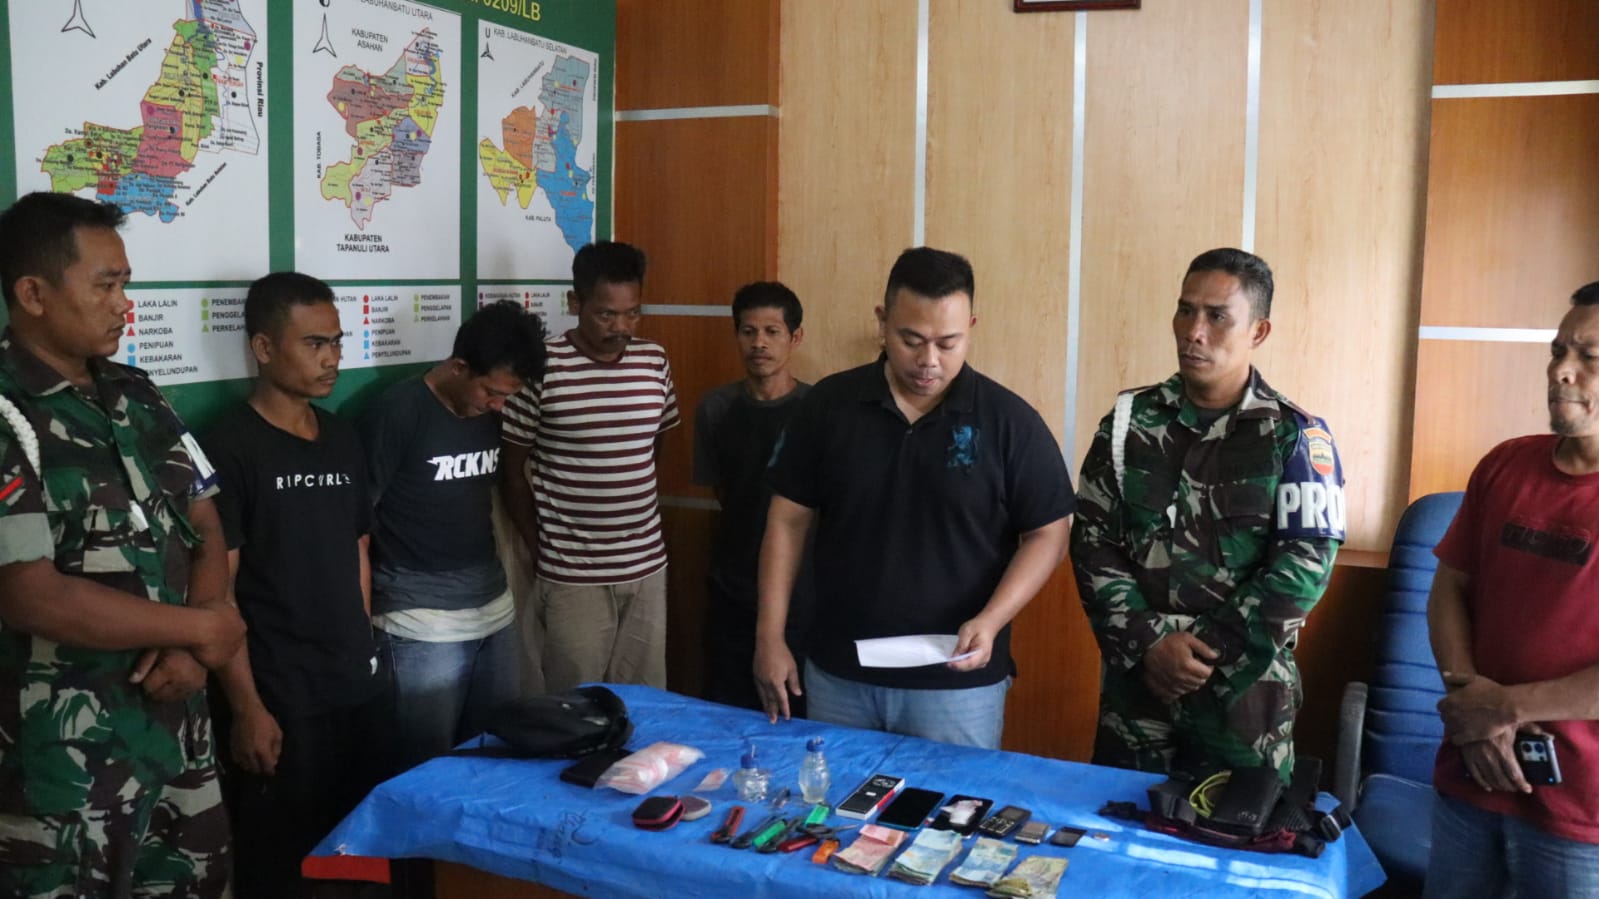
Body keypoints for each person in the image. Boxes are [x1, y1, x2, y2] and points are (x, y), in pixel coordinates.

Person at [0, 192, 245, 897]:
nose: (124, 305)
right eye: (105, 286)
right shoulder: (9, 413)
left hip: (177, 739)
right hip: (66, 772)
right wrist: (202, 629)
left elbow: (203, 518)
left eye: (125, 284)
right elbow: (30, 594)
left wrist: (194, 645)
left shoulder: (138, 392)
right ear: (33, 294)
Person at [755, 246, 1074, 750]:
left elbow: (1049, 532)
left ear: (971, 326)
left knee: (950, 802)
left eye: (948, 343)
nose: (929, 361)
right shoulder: (829, 407)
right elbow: (787, 521)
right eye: (911, 340)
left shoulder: (1008, 421)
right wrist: (769, 637)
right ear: (882, 322)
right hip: (840, 675)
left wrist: (992, 620)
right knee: (834, 799)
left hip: (957, 683)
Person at [1070, 247, 1344, 782]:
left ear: (1258, 331)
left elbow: (1304, 568)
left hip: (1244, 700)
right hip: (1138, 692)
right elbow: (1092, 542)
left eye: (1217, 316)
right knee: (1118, 822)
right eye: (1185, 310)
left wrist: (1203, 656)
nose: (1194, 332)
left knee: (1235, 831)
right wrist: (1151, 646)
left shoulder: (1295, 436)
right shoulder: (1128, 424)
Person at [203, 272, 381, 898]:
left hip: (352, 685)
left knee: (355, 858)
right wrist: (247, 707)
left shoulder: (342, 437)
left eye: (336, 341)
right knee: (284, 870)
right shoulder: (227, 447)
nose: (332, 358)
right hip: (279, 696)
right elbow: (218, 591)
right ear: (263, 347)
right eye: (314, 344)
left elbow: (357, 550)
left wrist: (364, 650)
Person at [1422, 281, 1599, 897]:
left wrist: (1505, 709)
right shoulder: (1505, 464)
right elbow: (1448, 590)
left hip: (1581, 814)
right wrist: (1472, 705)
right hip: (1470, 773)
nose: (1562, 372)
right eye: (1558, 351)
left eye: (1589, 357)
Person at [361, 301, 547, 774]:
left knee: (494, 759)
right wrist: (359, 627)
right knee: (425, 771)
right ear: (459, 367)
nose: (498, 406)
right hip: (418, 623)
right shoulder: (398, 412)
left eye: (508, 397)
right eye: (492, 392)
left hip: (494, 611)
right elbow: (356, 528)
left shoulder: (490, 413)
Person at [500, 241, 679, 693]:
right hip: (572, 576)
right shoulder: (543, 367)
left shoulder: (654, 360)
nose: (621, 327)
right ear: (575, 303)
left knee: (646, 701)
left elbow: (653, 447)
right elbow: (512, 471)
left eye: (633, 313)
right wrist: (540, 547)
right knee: (575, 704)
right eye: (606, 314)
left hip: (646, 567)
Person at [693, 281, 814, 713]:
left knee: (796, 713)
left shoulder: (818, 410)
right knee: (728, 711)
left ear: (795, 337)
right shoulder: (715, 408)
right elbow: (721, 492)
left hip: (801, 593)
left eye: (772, 331)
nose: (759, 343)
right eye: (748, 331)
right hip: (733, 587)